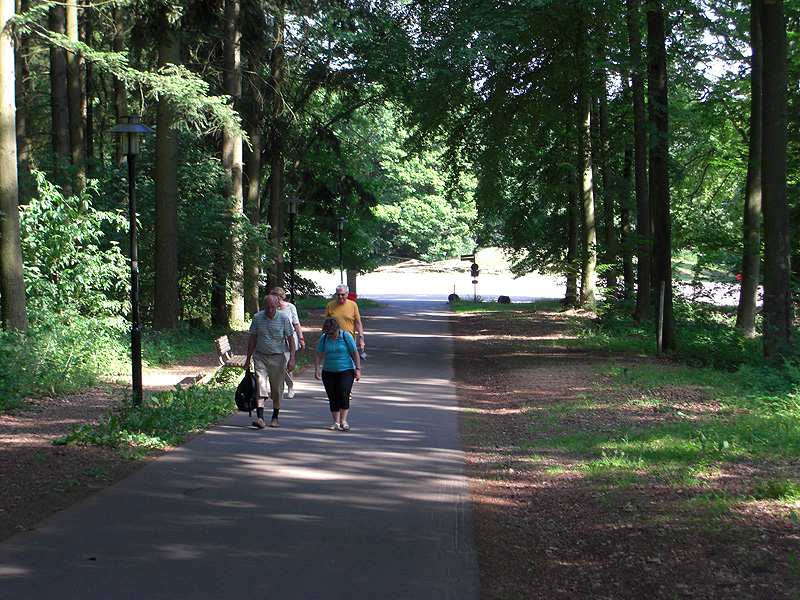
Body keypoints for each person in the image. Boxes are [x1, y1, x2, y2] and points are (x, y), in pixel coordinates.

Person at [244, 295, 296, 429]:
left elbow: (290, 339)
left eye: (273, 307)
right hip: (260, 356)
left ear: (277, 306)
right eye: (268, 307)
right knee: (260, 384)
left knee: (277, 388)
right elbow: (252, 338)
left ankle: (275, 417)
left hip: (277, 357)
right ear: (264, 306)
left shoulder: (284, 319)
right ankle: (260, 418)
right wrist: (248, 357)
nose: (270, 310)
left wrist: (292, 358)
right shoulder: (257, 318)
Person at [314, 317, 361, 431]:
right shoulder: (324, 338)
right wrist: (317, 369)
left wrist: (358, 369)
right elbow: (318, 354)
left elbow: (355, 353)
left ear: (337, 330)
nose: (331, 335)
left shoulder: (345, 336)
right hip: (329, 370)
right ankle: (336, 422)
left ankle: (343, 421)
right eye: (328, 333)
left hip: (346, 369)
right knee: (332, 395)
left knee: (343, 392)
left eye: (332, 333)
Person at [270, 286, 305, 399]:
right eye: (275, 298)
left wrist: (301, 338)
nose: (277, 301)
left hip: (289, 340)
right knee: (276, 365)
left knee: (286, 365)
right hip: (275, 340)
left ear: (282, 297)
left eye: (279, 299)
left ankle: (290, 387)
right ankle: (278, 388)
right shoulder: (271, 309)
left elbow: (296, 324)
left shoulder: (290, 307)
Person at [324, 284, 366, 357]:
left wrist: (361, 338)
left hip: (349, 340)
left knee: (350, 363)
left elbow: (358, 323)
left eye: (342, 294)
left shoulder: (353, 305)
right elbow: (325, 324)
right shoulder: (330, 305)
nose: (340, 297)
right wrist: (324, 339)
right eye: (338, 295)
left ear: (347, 294)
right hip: (334, 340)